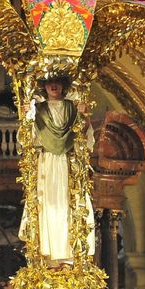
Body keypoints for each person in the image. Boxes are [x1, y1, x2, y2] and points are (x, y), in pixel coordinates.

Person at [19, 74, 95, 266]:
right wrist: (27, 118)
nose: (53, 86)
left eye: (57, 82)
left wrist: (84, 117)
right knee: (48, 206)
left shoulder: (72, 108)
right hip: (47, 163)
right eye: (49, 83)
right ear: (44, 86)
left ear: (63, 85)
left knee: (67, 205)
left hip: (68, 163)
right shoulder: (39, 111)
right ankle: (48, 255)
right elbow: (26, 141)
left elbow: (85, 138)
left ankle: (68, 256)